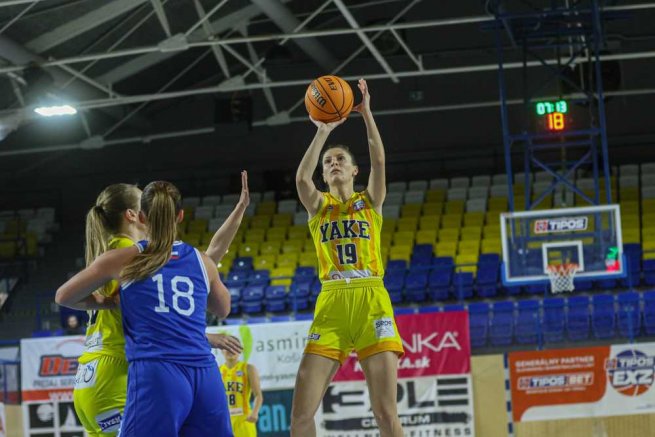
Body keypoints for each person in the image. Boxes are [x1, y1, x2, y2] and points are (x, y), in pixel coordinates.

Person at [60, 175, 248, 436]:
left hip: (100, 370)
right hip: (122, 370)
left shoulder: (119, 253)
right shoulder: (133, 251)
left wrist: (108, 302)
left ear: (144, 216)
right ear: (133, 216)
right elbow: (202, 280)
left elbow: (65, 296)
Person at [291, 79, 404, 437]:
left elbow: (380, 159)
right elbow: (300, 177)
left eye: (341, 159)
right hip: (332, 302)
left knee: (386, 413)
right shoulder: (318, 206)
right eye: (328, 162)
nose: (334, 163)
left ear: (354, 171)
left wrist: (367, 113)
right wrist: (323, 131)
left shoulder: (370, 202)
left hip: (371, 297)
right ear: (324, 175)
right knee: (301, 414)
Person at [220, 348, 263, 437]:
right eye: (227, 348)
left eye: (234, 348)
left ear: (240, 351)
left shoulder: (248, 368)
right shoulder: (217, 371)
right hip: (224, 421)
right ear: (222, 351)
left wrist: (255, 412)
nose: (230, 350)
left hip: (244, 419)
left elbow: (258, 395)